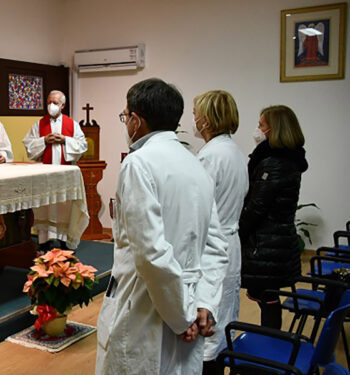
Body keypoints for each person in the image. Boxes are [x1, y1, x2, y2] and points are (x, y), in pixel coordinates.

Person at [95, 78, 228, 375]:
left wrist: (180, 319)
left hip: (147, 307)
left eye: (125, 116)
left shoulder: (139, 163)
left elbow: (151, 254)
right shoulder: (195, 163)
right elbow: (216, 245)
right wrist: (204, 305)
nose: (125, 122)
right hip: (191, 304)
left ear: (136, 120)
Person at [192, 90, 249, 374]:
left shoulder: (210, 156)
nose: (194, 118)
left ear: (208, 119)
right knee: (222, 317)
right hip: (229, 244)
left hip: (212, 247)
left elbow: (198, 209)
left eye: (197, 113)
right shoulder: (233, 151)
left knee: (207, 330)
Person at [239, 105, 308, 330]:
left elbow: (257, 207)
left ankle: (270, 348)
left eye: (261, 125)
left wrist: (237, 231)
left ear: (275, 129)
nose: (257, 130)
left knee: (267, 298)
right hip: (276, 241)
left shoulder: (275, 163)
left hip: (267, 243)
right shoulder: (289, 158)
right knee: (267, 297)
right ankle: (271, 345)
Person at [22, 90, 87, 250]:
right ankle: (45, 241)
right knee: (45, 207)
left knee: (64, 207)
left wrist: (66, 140)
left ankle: (65, 240)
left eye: (55, 103)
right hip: (45, 176)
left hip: (65, 175)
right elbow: (29, 144)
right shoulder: (39, 124)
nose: (51, 106)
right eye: (49, 102)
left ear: (63, 105)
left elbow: (83, 145)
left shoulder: (72, 125)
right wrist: (44, 140)